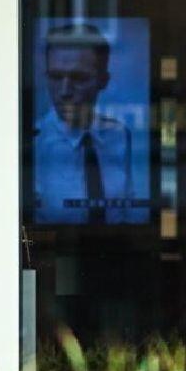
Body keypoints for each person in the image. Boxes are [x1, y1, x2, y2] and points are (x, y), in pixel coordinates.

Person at [33, 23, 133, 224]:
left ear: (103, 80)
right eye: (55, 77)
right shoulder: (34, 142)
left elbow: (127, 210)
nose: (64, 91)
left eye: (79, 78)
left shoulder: (119, 135)